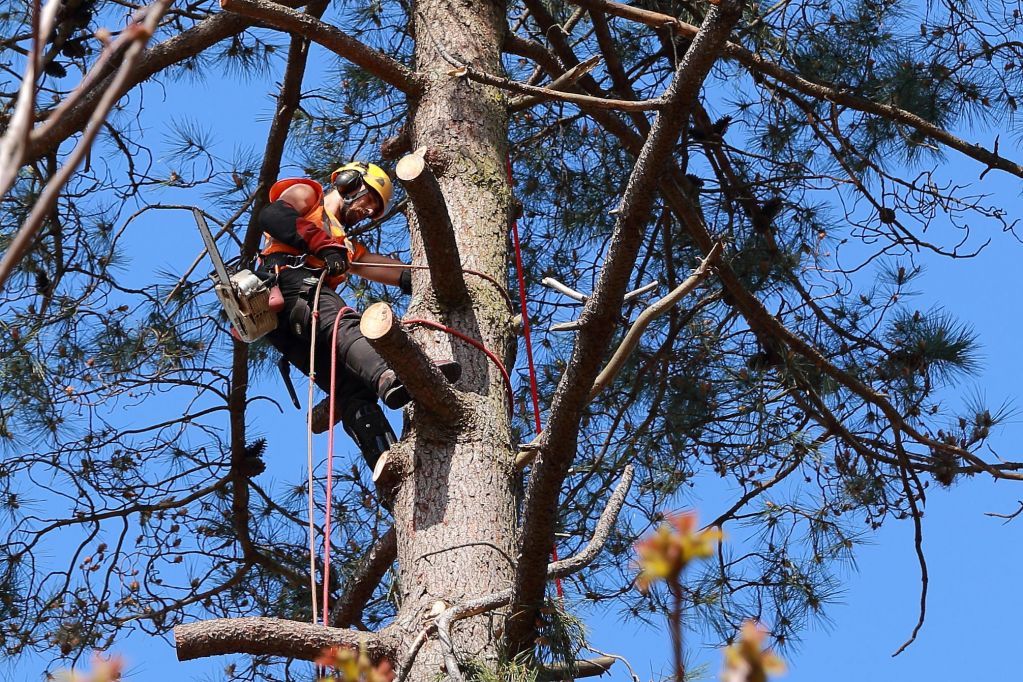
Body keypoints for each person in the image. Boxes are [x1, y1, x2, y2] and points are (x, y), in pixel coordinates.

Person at [258, 161, 459, 471]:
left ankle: (387, 459)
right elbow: (273, 216)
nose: (368, 212)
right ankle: (392, 373)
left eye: (375, 210)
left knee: (352, 387)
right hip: (293, 284)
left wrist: (437, 274)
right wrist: (323, 246)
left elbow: (387, 271)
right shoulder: (309, 197)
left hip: (286, 326)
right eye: (369, 201)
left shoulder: (344, 246)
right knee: (347, 327)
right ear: (351, 183)